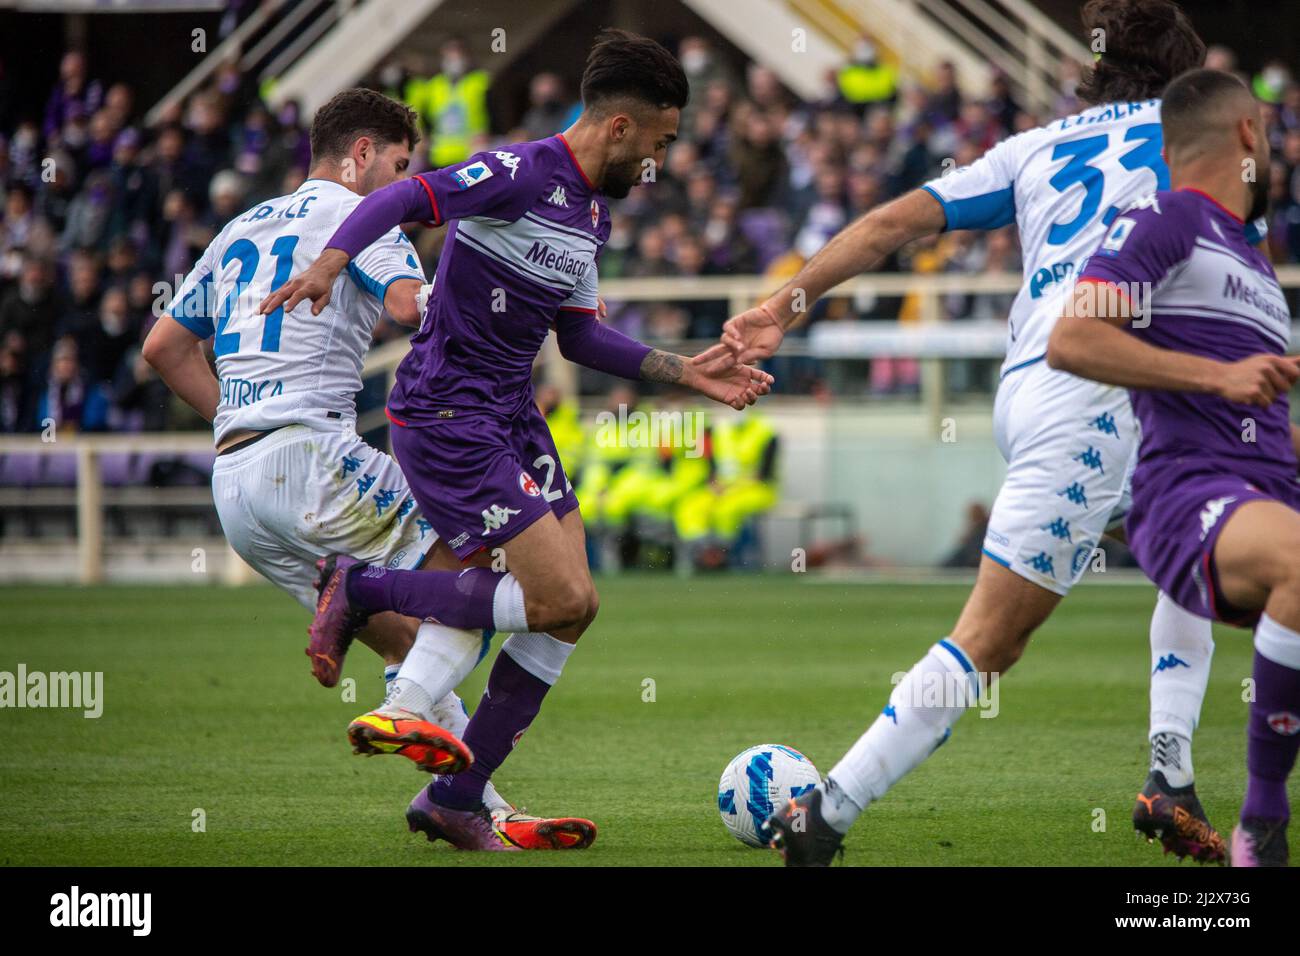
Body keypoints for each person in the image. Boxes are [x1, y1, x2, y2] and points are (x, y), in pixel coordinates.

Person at [700, 0, 1228, 865]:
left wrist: (777, 310)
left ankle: (1169, 776)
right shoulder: (1197, 137)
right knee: (990, 639)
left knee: (1195, 554)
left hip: (1041, 388)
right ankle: (824, 817)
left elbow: (886, 227)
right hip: (1104, 391)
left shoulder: (1037, 149)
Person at [260, 29, 772, 851]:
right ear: (619, 128)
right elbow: (401, 199)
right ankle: (362, 590)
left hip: (510, 417)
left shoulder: (594, 215)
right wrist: (330, 262)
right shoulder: (518, 172)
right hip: (446, 415)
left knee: (575, 611)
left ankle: (456, 798)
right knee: (559, 598)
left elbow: (580, 339)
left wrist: (687, 372)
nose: (659, 165)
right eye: (659, 145)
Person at [142, 88, 590, 851]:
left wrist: (236, 418)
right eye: (398, 164)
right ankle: (444, 761)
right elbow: (415, 307)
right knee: (474, 563)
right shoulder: (358, 219)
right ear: (361, 157)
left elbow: (163, 349)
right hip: (314, 458)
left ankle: (467, 803)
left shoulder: (239, 226)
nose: (402, 184)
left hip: (237, 487)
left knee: (406, 637)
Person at [1047, 69, 1300, 866]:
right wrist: (1216, 377)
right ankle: (1261, 824)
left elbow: (1264, 413)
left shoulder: (1254, 263)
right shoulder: (1166, 217)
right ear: (1250, 135)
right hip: (1189, 493)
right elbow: (1074, 339)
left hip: (1267, 491)